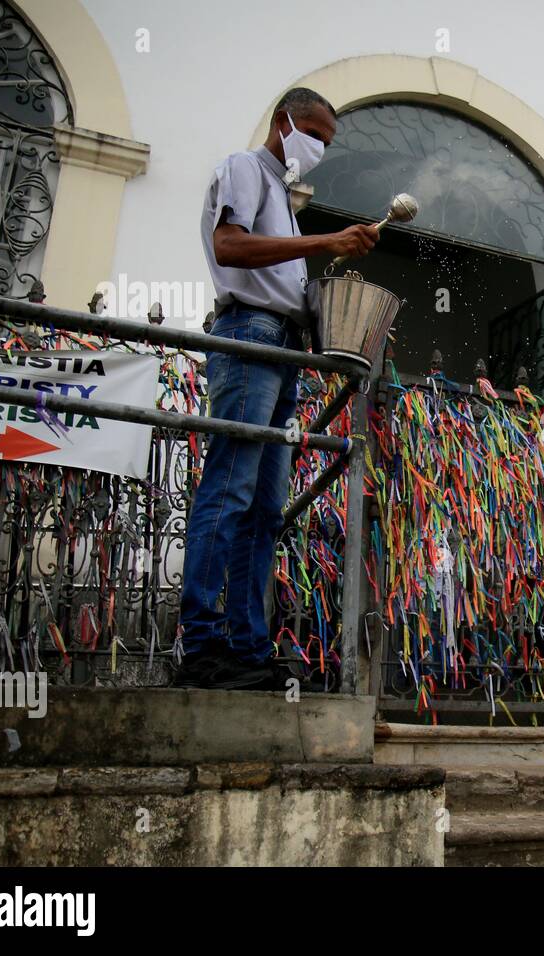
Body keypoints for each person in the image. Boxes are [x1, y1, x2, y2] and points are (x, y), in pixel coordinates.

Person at [175, 87, 379, 690]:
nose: (318, 147)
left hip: (285, 344)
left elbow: (284, 277)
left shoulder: (284, 202)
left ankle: (247, 645)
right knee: (230, 488)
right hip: (250, 336)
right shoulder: (244, 169)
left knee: (265, 508)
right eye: (314, 133)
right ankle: (203, 641)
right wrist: (326, 242)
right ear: (284, 123)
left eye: (326, 141)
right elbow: (229, 246)